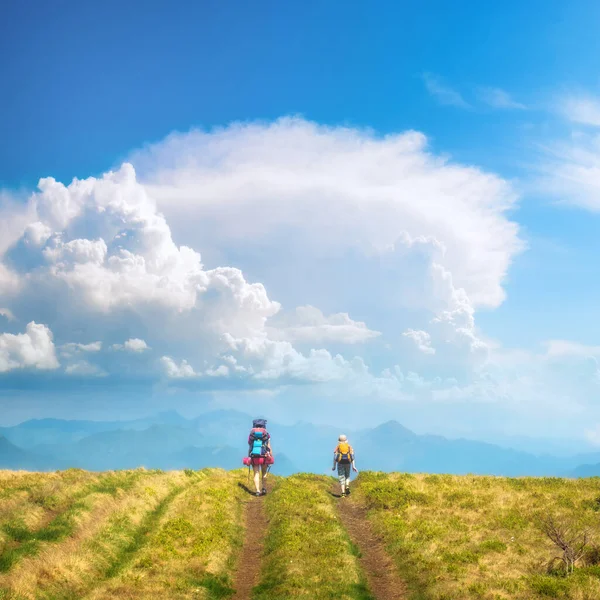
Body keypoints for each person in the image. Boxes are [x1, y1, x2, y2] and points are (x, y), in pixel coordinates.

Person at [248, 418, 273, 497]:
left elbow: (250, 446)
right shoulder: (266, 434)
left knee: (256, 473)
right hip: (264, 455)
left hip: (254, 455)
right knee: (264, 472)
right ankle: (264, 488)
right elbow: (269, 446)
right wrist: (270, 456)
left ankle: (257, 491)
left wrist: (249, 455)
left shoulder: (252, 434)